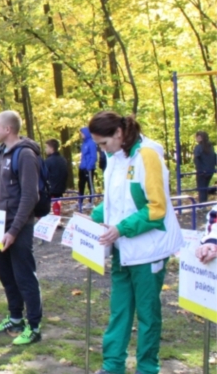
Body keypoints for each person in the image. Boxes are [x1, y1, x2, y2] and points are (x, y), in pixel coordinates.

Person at [88, 111, 184, 374]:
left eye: (103, 143)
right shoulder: (113, 156)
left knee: (148, 315)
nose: (101, 149)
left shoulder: (147, 155)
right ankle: (112, 366)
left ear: (118, 134)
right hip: (122, 249)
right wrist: (90, 218)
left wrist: (121, 229)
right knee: (119, 310)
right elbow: (114, 200)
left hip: (148, 250)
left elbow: (156, 208)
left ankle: (147, 368)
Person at [0, 110, 43, 345]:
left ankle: (34, 326)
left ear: (7, 129)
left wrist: (13, 230)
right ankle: (15, 317)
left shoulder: (26, 154)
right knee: (6, 275)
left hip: (18, 228)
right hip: (0, 227)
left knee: (24, 276)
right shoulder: (1, 152)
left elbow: (30, 196)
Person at [194, 131, 216, 203]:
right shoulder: (210, 147)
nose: (196, 138)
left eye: (198, 137)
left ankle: (202, 205)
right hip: (210, 170)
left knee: (202, 189)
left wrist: (199, 170)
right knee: (204, 188)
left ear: (201, 138)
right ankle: (204, 204)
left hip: (202, 172)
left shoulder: (198, 147)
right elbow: (214, 158)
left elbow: (196, 159)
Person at [79, 127, 98, 196]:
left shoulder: (92, 143)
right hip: (82, 167)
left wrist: (89, 167)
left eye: (82, 133)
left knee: (90, 184)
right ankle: (80, 202)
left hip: (88, 168)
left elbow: (94, 157)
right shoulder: (84, 144)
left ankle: (91, 201)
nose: (81, 135)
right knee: (81, 184)